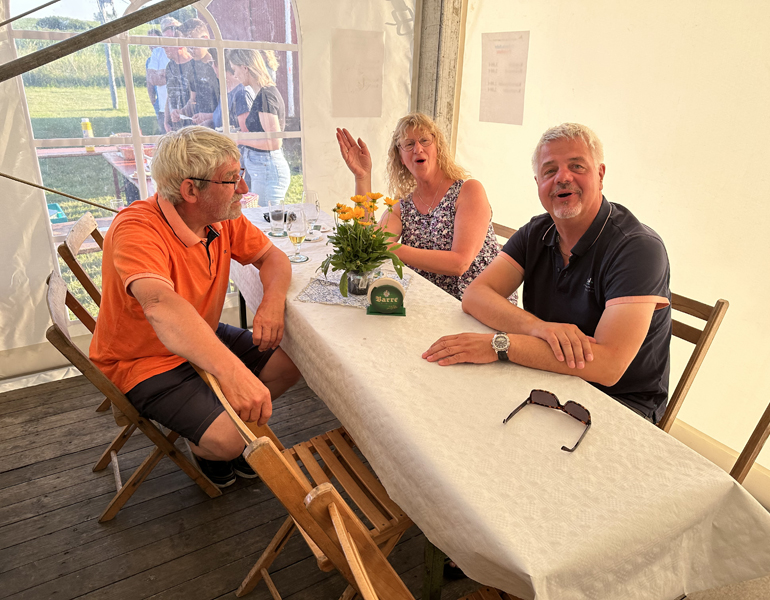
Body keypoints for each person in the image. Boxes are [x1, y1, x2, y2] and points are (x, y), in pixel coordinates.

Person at [89, 126, 301, 487]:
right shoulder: (137, 228)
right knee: (230, 439)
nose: (244, 188)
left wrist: (271, 302)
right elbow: (160, 303)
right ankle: (211, 444)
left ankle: (220, 425)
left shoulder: (221, 216)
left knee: (291, 363)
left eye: (240, 174)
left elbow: (273, 257)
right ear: (190, 190)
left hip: (202, 332)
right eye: (232, 179)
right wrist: (232, 373)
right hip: (142, 359)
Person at [423, 123, 671, 423]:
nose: (563, 177)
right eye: (550, 170)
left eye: (577, 166)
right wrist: (538, 328)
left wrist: (500, 344)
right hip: (548, 379)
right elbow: (475, 295)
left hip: (618, 405)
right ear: (538, 182)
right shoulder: (537, 231)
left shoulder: (638, 248)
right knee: (449, 407)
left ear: (600, 174)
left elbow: (608, 365)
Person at [336, 113, 508, 301]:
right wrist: (362, 177)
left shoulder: (468, 191)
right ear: (401, 158)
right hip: (430, 302)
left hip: (479, 304)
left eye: (425, 141)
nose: (418, 149)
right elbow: (368, 247)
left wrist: (390, 248)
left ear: (438, 148)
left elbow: (460, 263)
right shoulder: (402, 206)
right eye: (409, 144)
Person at [227, 48, 290, 207]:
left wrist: (240, 139)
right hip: (265, 169)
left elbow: (274, 142)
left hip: (268, 170)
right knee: (263, 216)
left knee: (266, 218)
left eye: (235, 69)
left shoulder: (266, 95)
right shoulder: (263, 93)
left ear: (245, 68)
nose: (235, 75)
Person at [145, 28, 169, 134]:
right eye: (149, 41)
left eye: (154, 40)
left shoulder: (168, 55)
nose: (152, 44)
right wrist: (152, 97)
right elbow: (150, 80)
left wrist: (162, 75)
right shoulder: (149, 61)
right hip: (159, 101)